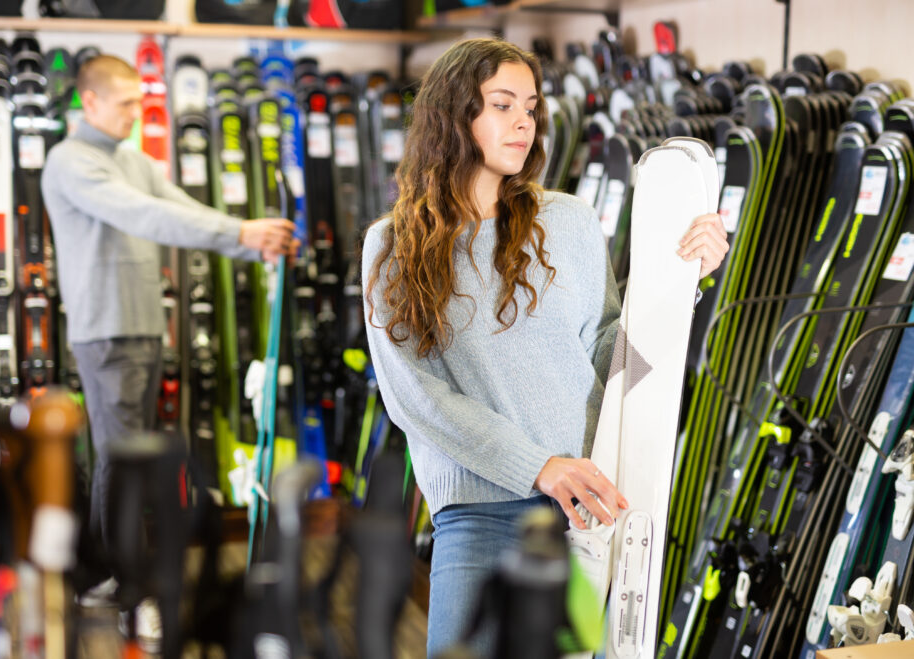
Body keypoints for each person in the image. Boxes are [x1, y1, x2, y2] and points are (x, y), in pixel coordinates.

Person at [361, 38, 730, 656]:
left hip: (587, 516)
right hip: (479, 516)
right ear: (454, 116)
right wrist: (537, 466)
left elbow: (614, 354)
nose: (524, 122)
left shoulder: (569, 222)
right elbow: (416, 398)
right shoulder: (393, 245)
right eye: (502, 104)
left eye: (530, 106)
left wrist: (680, 278)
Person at [41, 54, 298, 649]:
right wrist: (240, 235)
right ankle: (118, 586)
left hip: (142, 329)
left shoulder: (131, 159)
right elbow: (143, 215)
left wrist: (245, 237)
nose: (137, 113)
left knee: (133, 460)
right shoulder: (71, 161)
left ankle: (121, 577)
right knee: (118, 460)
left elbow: (179, 205)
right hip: (105, 333)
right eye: (126, 102)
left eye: (139, 100)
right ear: (90, 101)